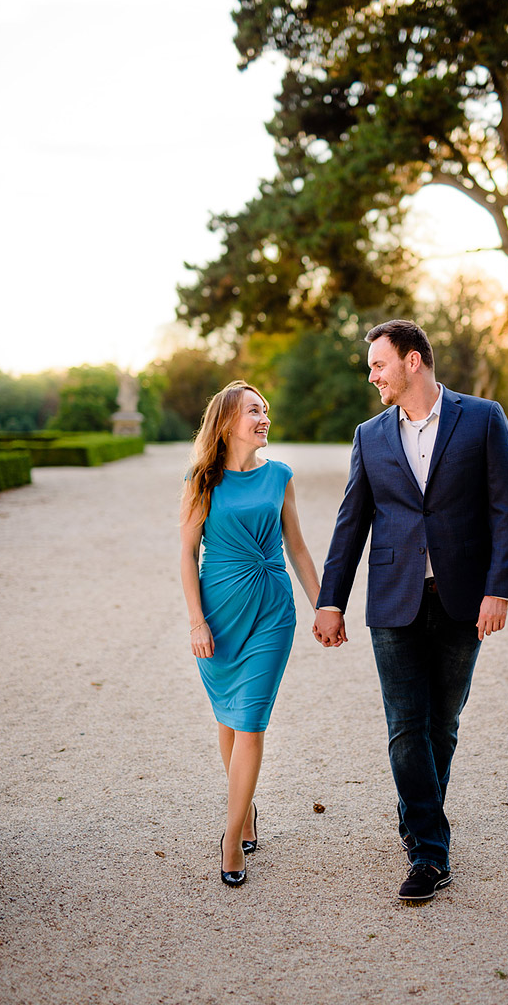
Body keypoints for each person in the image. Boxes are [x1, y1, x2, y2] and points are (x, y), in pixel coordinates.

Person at [313, 321, 508, 903]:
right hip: (392, 598)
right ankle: (431, 852)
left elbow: (507, 510)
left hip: (463, 597)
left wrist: (499, 589)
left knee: (441, 724)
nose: (372, 376)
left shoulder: (483, 419)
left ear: (413, 361)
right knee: (406, 725)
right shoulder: (369, 435)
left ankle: (416, 819)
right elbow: (351, 522)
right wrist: (331, 600)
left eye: (378, 365)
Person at [180, 381, 333, 888]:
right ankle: (244, 811)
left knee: (248, 721)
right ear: (226, 422)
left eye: (265, 410)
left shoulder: (280, 476)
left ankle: (230, 839)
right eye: (253, 411)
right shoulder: (202, 479)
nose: (264, 418)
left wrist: (324, 607)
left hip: (271, 611)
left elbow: (298, 548)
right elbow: (186, 555)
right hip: (219, 614)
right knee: (228, 718)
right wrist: (197, 621)